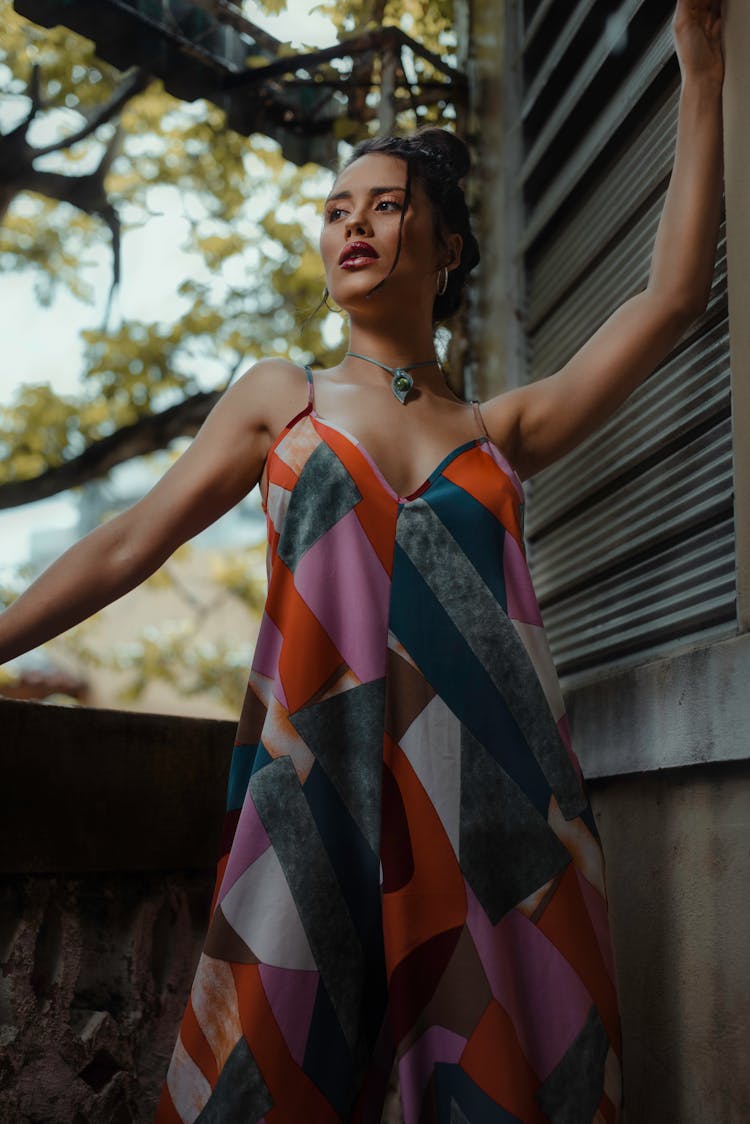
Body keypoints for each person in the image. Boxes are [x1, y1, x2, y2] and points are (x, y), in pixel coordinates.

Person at [0, 1, 724, 1119]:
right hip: (317, 801)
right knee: (271, 1074)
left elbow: (672, 301)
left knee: (513, 1084)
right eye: (338, 208)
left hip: (503, 821)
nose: (356, 225)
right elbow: (127, 541)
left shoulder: (499, 433)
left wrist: (703, 73)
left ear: (446, 249)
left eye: (389, 206)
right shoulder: (278, 401)